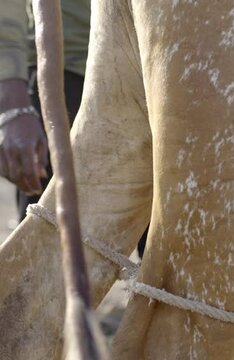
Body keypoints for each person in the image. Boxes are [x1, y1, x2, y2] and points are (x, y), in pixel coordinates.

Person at [0, 0, 148, 257]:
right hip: (67, 75)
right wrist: (12, 105)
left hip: (159, 82)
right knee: (49, 263)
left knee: (172, 277)